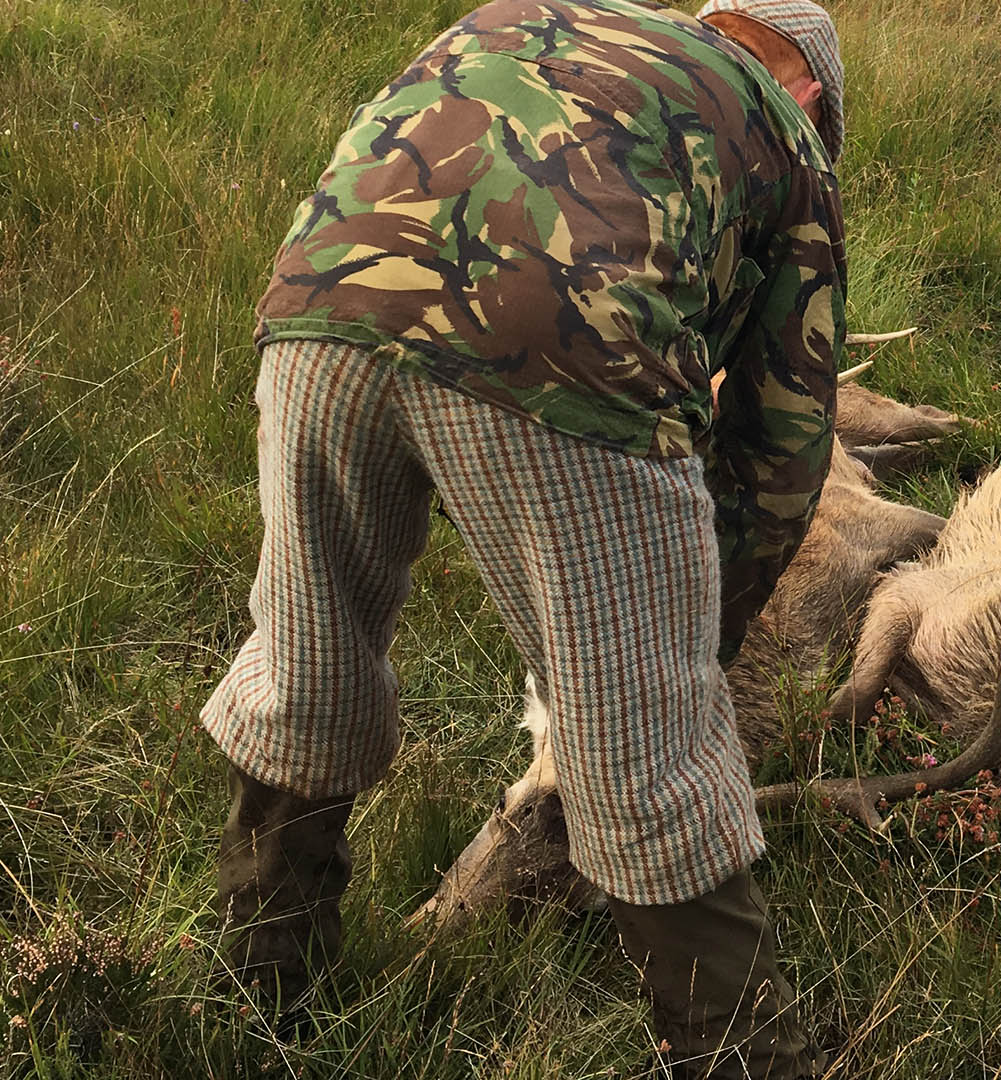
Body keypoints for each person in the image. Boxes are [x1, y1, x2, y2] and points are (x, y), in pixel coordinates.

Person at [200, 1, 846, 1075]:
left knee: (308, 661)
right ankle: (741, 1055)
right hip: (563, 355)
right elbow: (781, 457)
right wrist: (695, 649)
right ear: (813, 90)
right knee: (654, 757)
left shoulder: (541, 17)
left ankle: (258, 998)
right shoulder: (785, 131)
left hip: (318, 309)